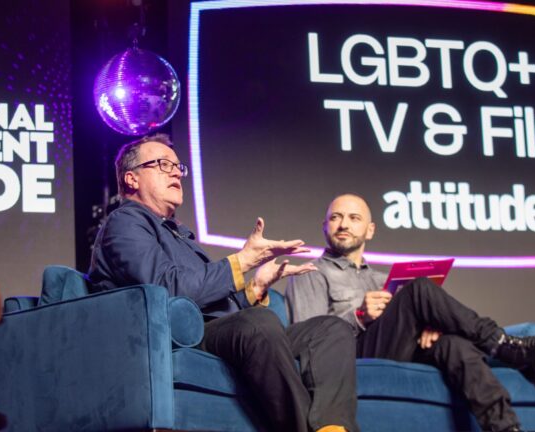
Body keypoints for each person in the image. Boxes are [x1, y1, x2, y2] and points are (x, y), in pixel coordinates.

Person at [88, 134, 359, 432]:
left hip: (217, 330)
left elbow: (217, 303)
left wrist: (256, 287)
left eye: (178, 166)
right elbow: (169, 288)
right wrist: (243, 260)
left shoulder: (180, 234)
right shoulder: (124, 222)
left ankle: (331, 428)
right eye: (163, 165)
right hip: (178, 335)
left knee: (330, 329)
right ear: (131, 179)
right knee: (257, 324)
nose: (176, 172)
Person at [286, 194, 535, 432]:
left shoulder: (380, 279)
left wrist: (430, 325)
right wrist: (358, 316)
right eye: (336, 217)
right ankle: (506, 347)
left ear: (370, 230)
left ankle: (505, 426)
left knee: (452, 345)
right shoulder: (310, 273)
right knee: (419, 288)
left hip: (395, 349)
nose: (343, 224)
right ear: (324, 226)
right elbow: (309, 339)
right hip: (351, 357)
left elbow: (403, 324)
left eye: (354, 218)